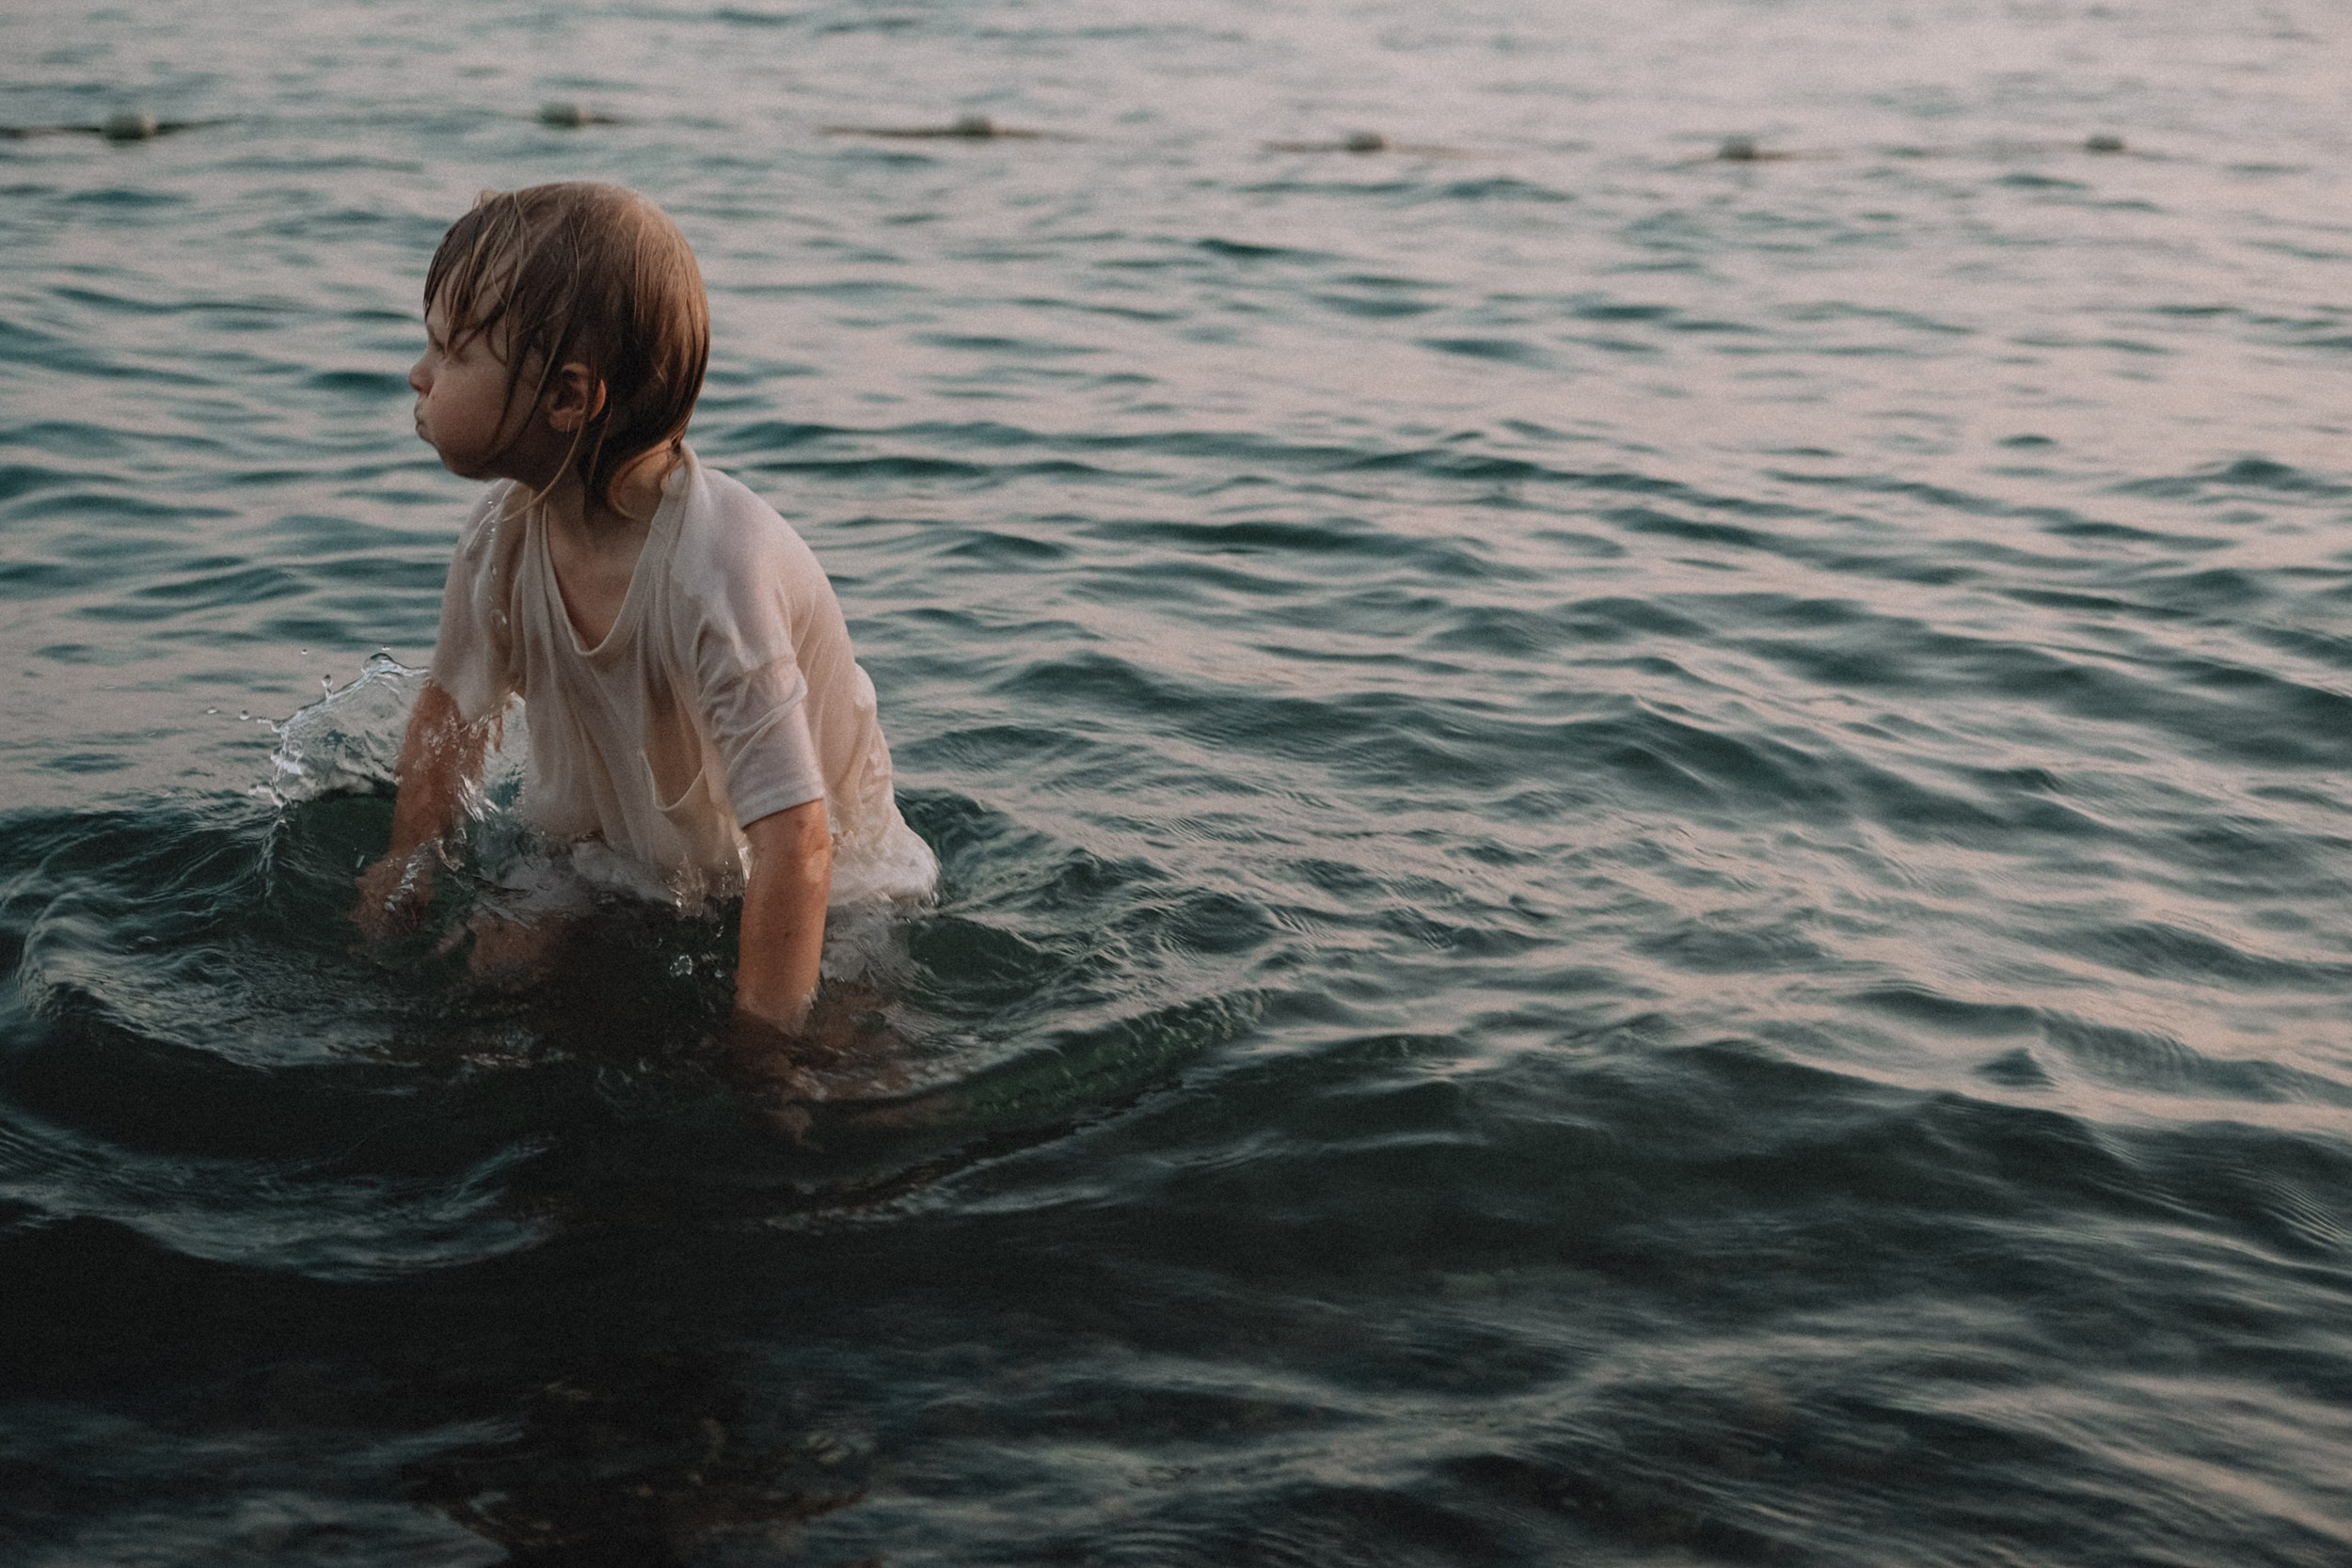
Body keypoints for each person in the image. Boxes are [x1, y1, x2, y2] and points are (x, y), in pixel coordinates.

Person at [354, 182, 934, 1074]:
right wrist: (408, 863)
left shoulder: (717, 573)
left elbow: (798, 841)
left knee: (831, 1074)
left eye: (448, 350)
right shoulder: (503, 536)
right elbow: (450, 712)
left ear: (567, 397)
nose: (417, 373)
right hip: (616, 862)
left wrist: (761, 1047)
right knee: (485, 976)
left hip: (836, 890)